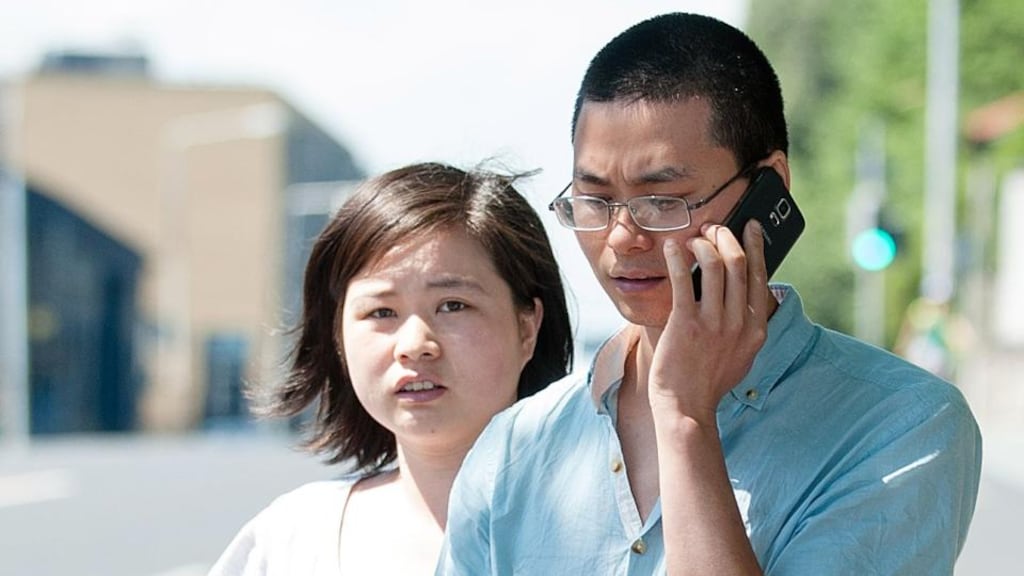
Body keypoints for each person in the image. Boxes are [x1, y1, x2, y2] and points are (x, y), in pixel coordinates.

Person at [439, 13, 982, 575]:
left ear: (770, 185)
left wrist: (684, 419)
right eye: (593, 200)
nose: (622, 237)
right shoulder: (514, 448)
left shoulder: (903, 425)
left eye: (663, 199)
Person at [209, 162, 573, 575]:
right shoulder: (291, 540)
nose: (415, 345)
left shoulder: (610, 530)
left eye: (453, 305)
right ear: (337, 336)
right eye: (382, 311)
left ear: (527, 327)